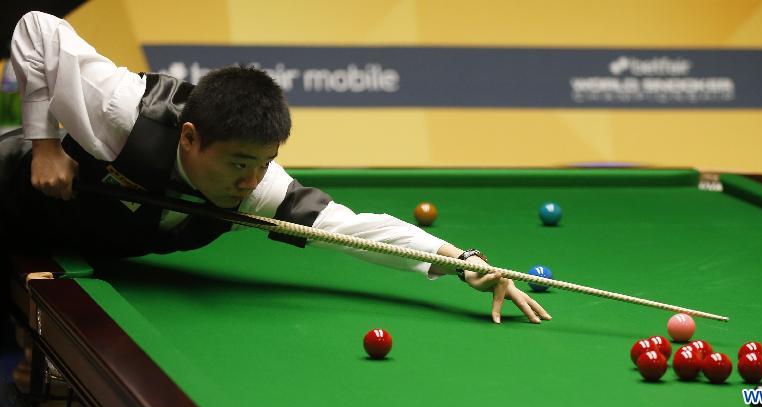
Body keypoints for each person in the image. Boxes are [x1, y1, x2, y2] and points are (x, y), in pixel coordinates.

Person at [2, 11, 551, 324]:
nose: (251, 180)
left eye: (264, 164)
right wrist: (45, 144)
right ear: (189, 138)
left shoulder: (258, 187)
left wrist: (463, 261)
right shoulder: (123, 111)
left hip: (75, 243)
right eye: (240, 163)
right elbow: (37, 28)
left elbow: (355, 229)